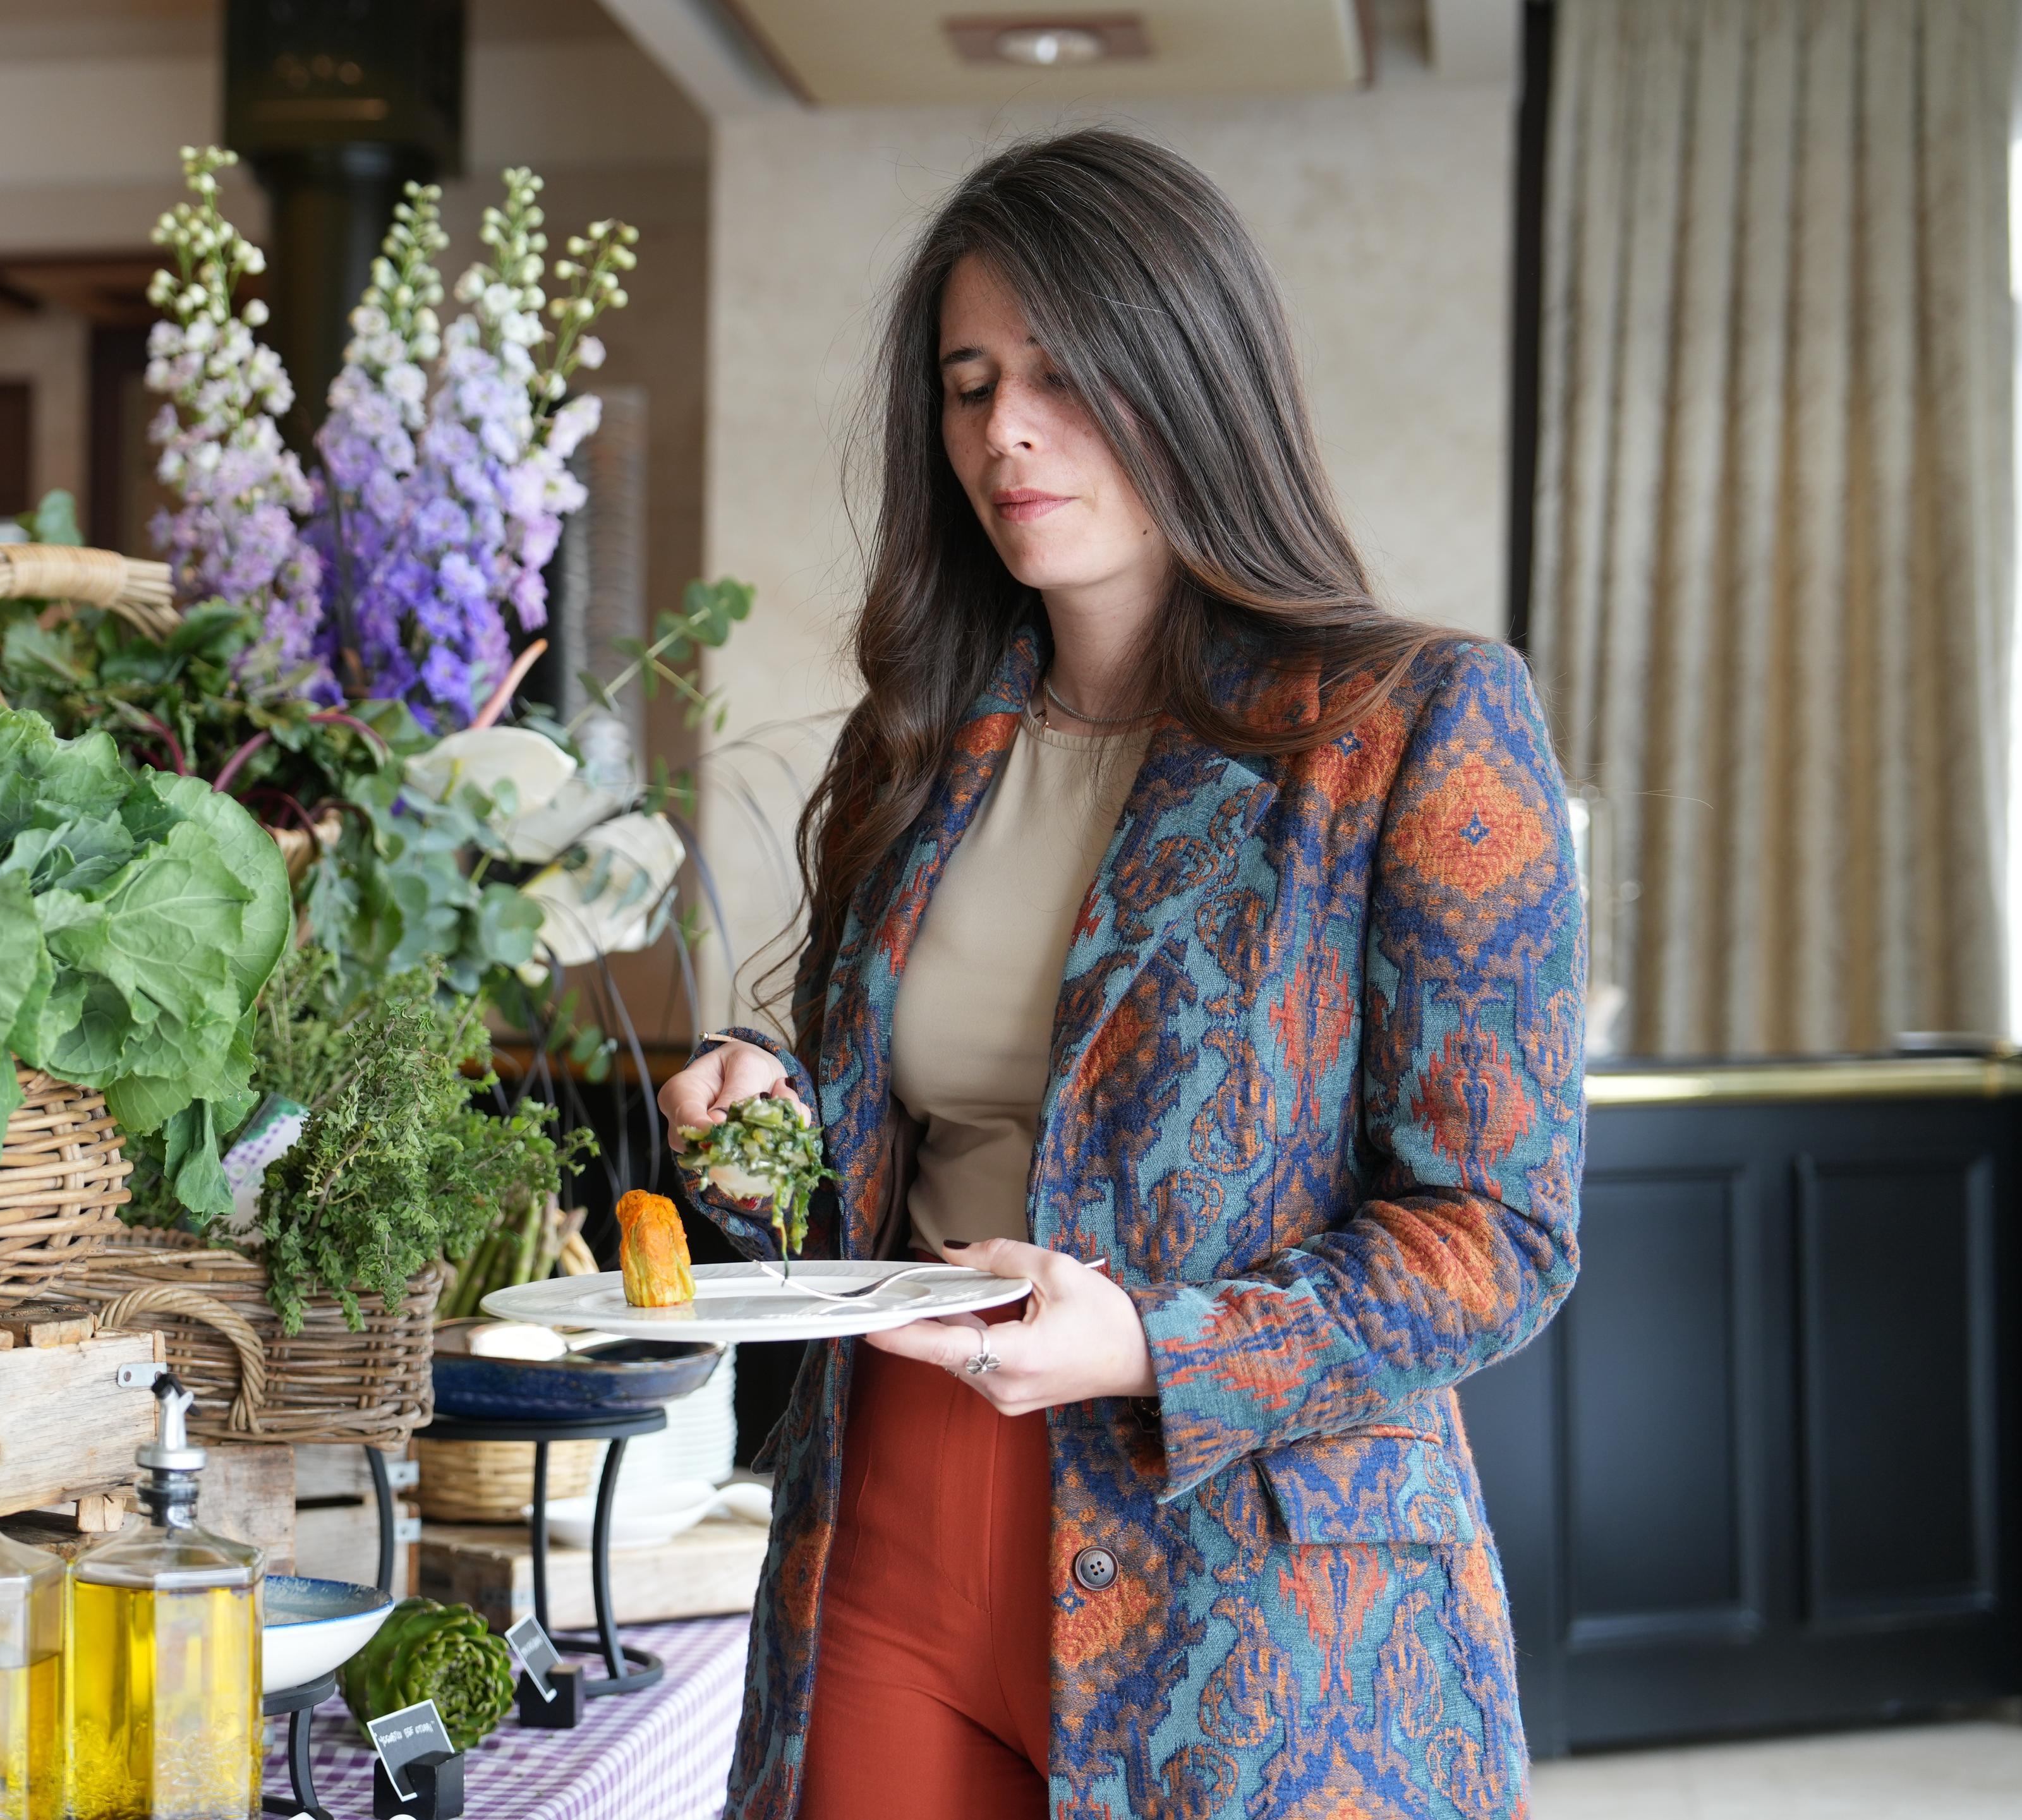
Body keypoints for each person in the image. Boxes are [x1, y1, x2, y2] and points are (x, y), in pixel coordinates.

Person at [659, 129, 1582, 1820]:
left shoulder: (1416, 726)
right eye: (969, 381)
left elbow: (1497, 1236)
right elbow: (868, 1199)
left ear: (1190, 369)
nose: (1005, 426)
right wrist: (764, 1132)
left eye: (1065, 372)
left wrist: (1158, 1342)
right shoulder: (913, 750)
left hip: (1250, 1587)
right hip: (889, 1526)